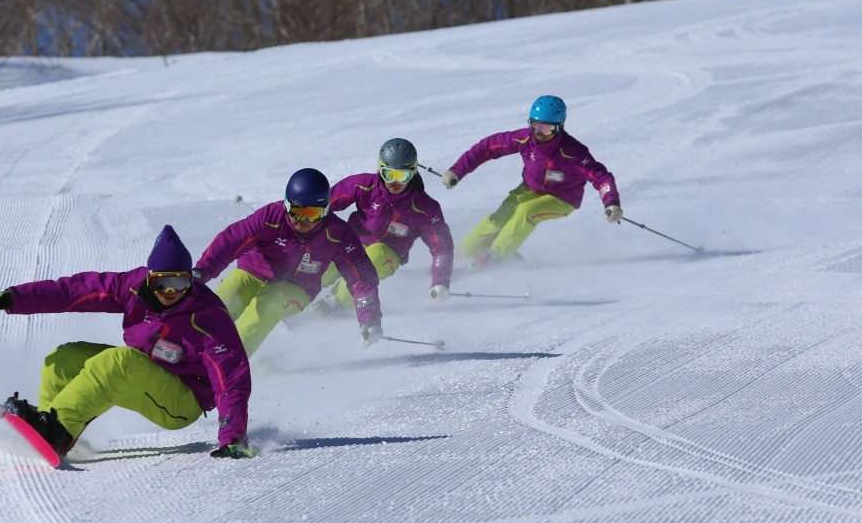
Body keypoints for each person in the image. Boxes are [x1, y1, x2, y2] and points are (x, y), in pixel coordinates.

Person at [0, 225, 256, 459]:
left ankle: (57, 430)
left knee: (119, 362)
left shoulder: (207, 315)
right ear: (149, 278)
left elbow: (231, 377)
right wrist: (12, 298)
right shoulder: (132, 288)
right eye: (160, 283)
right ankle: (50, 426)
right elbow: (71, 292)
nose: (169, 291)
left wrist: (233, 436)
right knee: (63, 358)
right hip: (149, 372)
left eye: (178, 282)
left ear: (190, 280)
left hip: (182, 402)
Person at [195, 167, 383, 356]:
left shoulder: (337, 234)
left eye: (311, 214)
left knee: (271, 304)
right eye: (296, 211)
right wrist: (201, 270)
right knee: (231, 294)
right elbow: (231, 240)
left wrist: (370, 318)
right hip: (253, 273)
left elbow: (361, 275)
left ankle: (224, 364)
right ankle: (189, 350)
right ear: (287, 204)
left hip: (297, 288)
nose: (301, 221)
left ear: (325, 211)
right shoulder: (271, 217)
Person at [440, 95, 622, 265]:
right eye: (535, 126)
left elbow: (601, 177)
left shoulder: (572, 152)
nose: (539, 133)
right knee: (503, 214)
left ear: (559, 127)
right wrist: (457, 171)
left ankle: (494, 257)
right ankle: (463, 252)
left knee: (526, 211)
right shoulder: (525, 139)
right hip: (530, 189)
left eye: (546, 128)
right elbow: (487, 147)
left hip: (562, 199)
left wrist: (611, 202)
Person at [318, 137, 454, 310]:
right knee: (333, 255)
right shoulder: (365, 186)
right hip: (355, 242)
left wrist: (440, 280)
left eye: (402, 175)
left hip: (387, 255)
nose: (394, 182)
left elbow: (442, 245)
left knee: (375, 255)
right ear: (380, 169)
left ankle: (333, 304)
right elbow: (322, 204)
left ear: (413, 172)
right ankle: (300, 295)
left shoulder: (424, 207)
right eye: (389, 174)